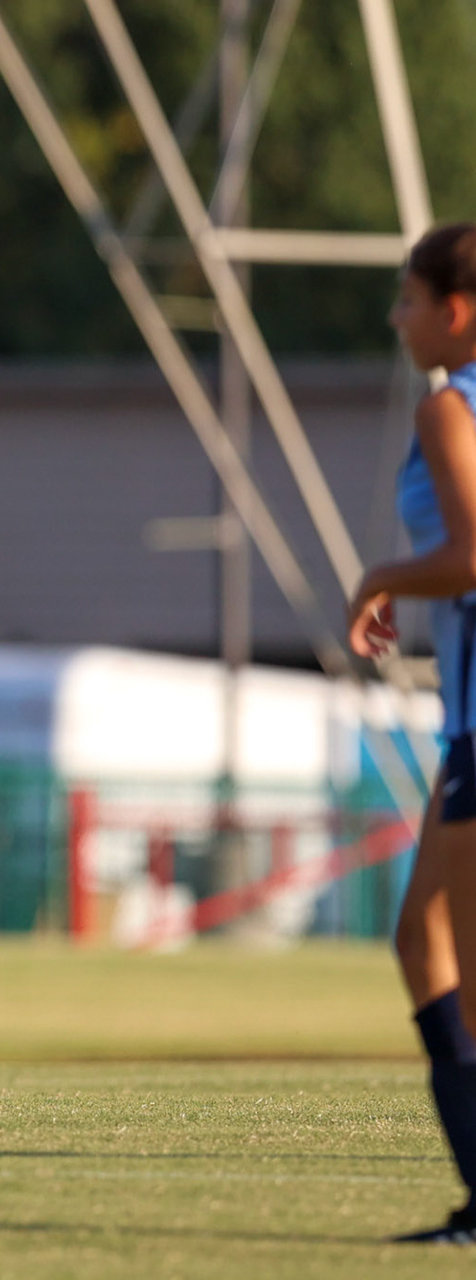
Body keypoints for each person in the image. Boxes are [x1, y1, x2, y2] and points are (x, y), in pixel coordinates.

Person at [350, 223, 476, 1243]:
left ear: (456, 309)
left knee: (457, 961)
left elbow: (472, 556)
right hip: (465, 727)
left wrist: (380, 577)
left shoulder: (450, 404)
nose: (398, 318)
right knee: (422, 936)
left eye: (409, 298)